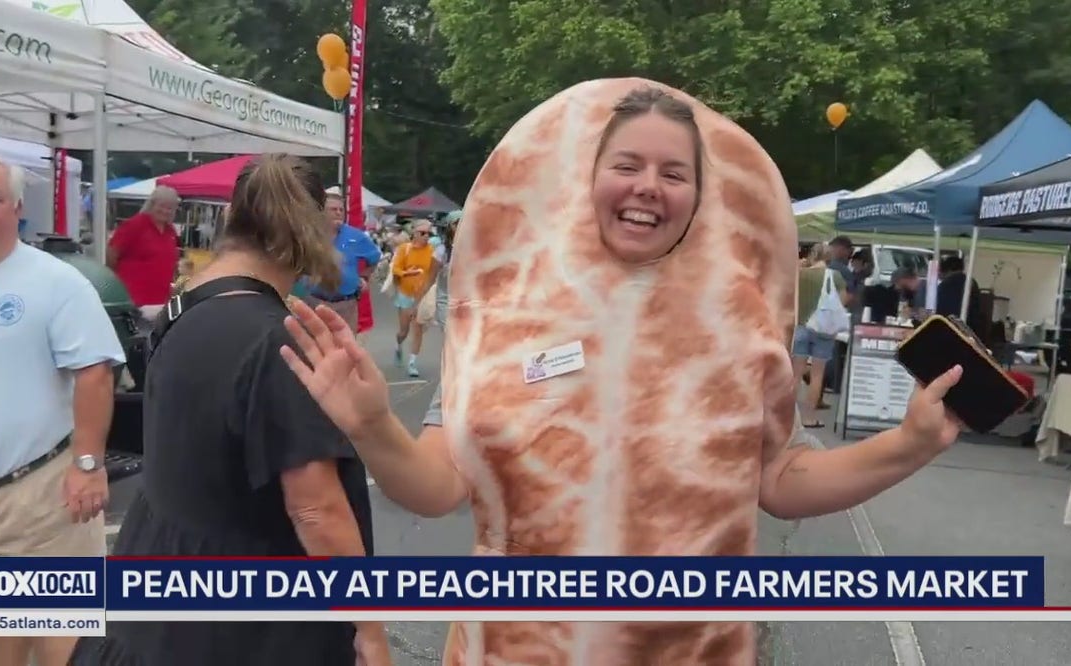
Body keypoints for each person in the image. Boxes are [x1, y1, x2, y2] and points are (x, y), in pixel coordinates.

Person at [277, 81, 964, 665]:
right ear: (591, 178)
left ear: (700, 195)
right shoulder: (510, 307)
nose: (648, 188)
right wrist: (371, 425)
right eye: (628, 165)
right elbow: (438, 485)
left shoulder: (741, 324)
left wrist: (908, 444)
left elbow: (777, 479)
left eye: (674, 173)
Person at [74, 156, 387, 666]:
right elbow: (317, 511)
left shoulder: (184, 306)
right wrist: (368, 630)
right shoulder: (276, 343)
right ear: (311, 232)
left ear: (230, 220)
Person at [0, 146, 125, 666]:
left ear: (16, 209)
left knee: (61, 638)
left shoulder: (55, 282)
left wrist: (87, 464)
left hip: (37, 493)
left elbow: (96, 372)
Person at [296, 191, 381, 333]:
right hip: (314, 302)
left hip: (346, 305)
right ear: (321, 212)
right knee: (311, 346)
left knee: (344, 349)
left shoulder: (356, 236)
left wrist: (364, 277)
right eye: (333, 209)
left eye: (341, 210)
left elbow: (374, 257)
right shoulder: (310, 235)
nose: (338, 213)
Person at [793, 242, 848, 427]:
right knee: (817, 375)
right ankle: (808, 418)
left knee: (795, 374)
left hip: (800, 327)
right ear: (828, 257)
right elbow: (842, 302)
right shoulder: (835, 276)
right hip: (823, 330)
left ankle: (787, 419)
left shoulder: (800, 274)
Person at [107, 185, 181, 311]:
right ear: (151, 205)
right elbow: (111, 255)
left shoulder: (171, 231)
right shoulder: (135, 225)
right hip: (134, 301)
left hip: (160, 301)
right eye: (161, 206)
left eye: (170, 208)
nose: (165, 211)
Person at [390, 218, 436, 377]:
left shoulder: (432, 250)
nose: (426, 236)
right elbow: (396, 269)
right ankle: (398, 345)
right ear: (414, 233)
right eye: (422, 233)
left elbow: (434, 272)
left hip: (422, 296)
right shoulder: (405, 249)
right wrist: (406, 273)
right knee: (403, 331)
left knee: (418, 329)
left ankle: (412, 363)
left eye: (429, 233)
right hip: (405, 294)